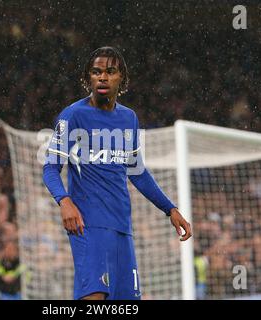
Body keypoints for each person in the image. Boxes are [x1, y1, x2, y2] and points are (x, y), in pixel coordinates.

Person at [43, 46, 192, 300]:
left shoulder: (129, 119)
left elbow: (137, 172)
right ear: (87, 78)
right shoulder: (73, 116)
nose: (103, 77)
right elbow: (50, 168)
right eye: (96, 72)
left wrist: (170, 208)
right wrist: (64, 201)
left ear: (121, 77)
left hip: (122, 228)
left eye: (110, 72)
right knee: (95, 297)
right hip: (87, 225)